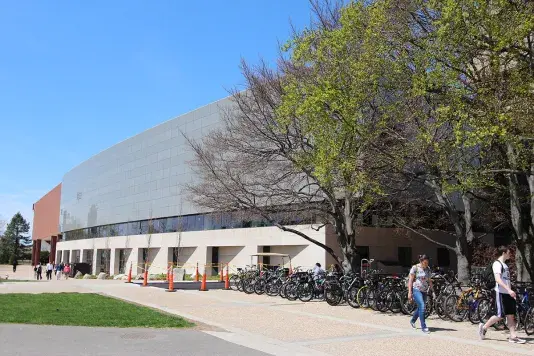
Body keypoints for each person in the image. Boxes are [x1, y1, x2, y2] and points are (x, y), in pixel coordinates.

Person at [478, 246, 526, 344]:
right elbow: (498, 279)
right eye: (509, 252)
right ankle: (484, 327)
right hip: (500, 292)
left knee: (511, 315)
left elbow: (506, 280)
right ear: (504, 253)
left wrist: (511, 291)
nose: (510, 254)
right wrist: (509, 290)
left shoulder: (505, 265)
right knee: (499, 315)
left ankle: (513, 336)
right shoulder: (497, 264)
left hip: (507, 293)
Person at [408, 254, 433, 334]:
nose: (426, 264)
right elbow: (410, 280)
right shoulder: (415, 268)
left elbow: (429, 280)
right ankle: (424, 327)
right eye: (425, 263)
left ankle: (412, 320)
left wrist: (432, 290)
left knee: (420, 308)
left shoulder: (428, 269)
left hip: (424, 290)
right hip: (417, 290)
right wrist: (410, 292)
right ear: (421, 261)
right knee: (422, 306)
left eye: (427, 263)